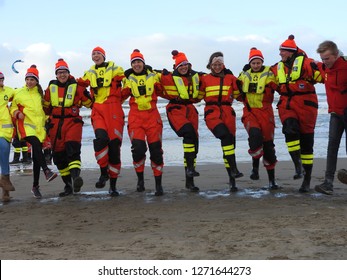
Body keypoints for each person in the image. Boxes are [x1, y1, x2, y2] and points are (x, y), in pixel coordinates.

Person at [271, 35, 322, 193]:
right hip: (287, 105)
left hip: (307, 107)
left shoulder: (308, 63)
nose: (280, 54)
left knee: (307, 144)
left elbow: (325, 74)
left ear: (290, 52)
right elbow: (263, 76)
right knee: (289, 129)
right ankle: (297, 166)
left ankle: (306, 180)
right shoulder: (277, 67)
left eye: (283, 52)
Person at [77, 47, 125, 197]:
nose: (95, 55)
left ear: (104, 56)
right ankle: (103, 172)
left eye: (98, 53)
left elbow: (129, 81)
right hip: (98, 108)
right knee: (101, 140)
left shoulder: (116, 68)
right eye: (93, 54)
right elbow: (79, 86)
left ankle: (113, 186)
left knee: (114, 147)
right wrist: (86, 101)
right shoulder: (89, 72)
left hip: (114, 110)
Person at [43, 59, 93, 197]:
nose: (62, 75)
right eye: (59, 72)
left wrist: (86, 89)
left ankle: (76, 177)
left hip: (72, 122)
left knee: (72, 149)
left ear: (68, 73)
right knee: (58, 157)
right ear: (56, 74)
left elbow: (90, 104)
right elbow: (45, 108)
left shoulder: (77, 87)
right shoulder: (50, 89)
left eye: (64, 72)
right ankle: (68, 186)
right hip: (55, 125)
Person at [10, 65, 58, 198]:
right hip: (25, 126)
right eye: (28, 79)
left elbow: (43, 111)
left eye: (32, 79)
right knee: (36, 146)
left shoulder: (39, 94)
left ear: (37, 81)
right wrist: (16, 112)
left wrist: (48, 119)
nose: (29, 82)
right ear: (25, 80)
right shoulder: (18, 92)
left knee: (37, 157)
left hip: (39, 128)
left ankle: (35, 186)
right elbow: (12, 106)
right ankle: (47, 171)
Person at [199, 51, 244, 192]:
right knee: (225, 136)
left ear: (223, 64)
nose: (217, 67)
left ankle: (232, 180)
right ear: (210, 65)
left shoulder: (230, 78)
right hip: (212, 113)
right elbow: (196, 97)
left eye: (219, 64)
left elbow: (239, 96)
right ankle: (234, 169)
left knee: (230, 145)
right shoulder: (205, 79)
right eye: (214, 64)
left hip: (228, 113)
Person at [121, 49, 164, 196]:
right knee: (138, 150)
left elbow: (167, 84)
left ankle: (158, 184)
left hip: (153, 117)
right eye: (134, 62)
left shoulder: (154, 75)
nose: (136, 64)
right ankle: (140, 180)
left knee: (156, 151)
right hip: (135, 118)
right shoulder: (127, 78)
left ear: (143, 63)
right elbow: (119, 95)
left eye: (139, 61)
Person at [158, 50, 202, 192]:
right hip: (175, 109)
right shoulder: (167, 77)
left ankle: (190, 180)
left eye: (185, 65)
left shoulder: (196, 77)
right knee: (188, 133)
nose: (183, 67)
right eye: (180, 66)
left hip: (190, 110)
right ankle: (189, 170)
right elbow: (150, 74)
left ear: (189, 66)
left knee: (194, 143)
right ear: (176, 67)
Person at [238, 48, 279, 189]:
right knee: (255, 137)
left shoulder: (270, 73)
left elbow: (280, 86)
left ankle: (272, 181)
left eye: (258, 62)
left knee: (268, 147)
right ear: (250, 63)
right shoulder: (243, 75)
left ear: (262, 62)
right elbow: (236, 91)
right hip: (250, 112)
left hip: (266, 113)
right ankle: (255, 169)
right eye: (253, 63)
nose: (256, 65)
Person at [315, 41, 347, 195]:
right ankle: (328, 183)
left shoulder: (345, 66)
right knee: (332, 147)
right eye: (322, 59)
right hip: (335, 113)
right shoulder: (323, 68)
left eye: (327, 58)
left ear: (336, 55)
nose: (324, 62)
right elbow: (311, 63)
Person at [0, 71, 16, 202]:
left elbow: (20, 95)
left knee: (4, 155)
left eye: (2, 79)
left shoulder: (8, 91)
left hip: (5, 131)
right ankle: (5, 184)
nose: (0, 82)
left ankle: (5, 191)